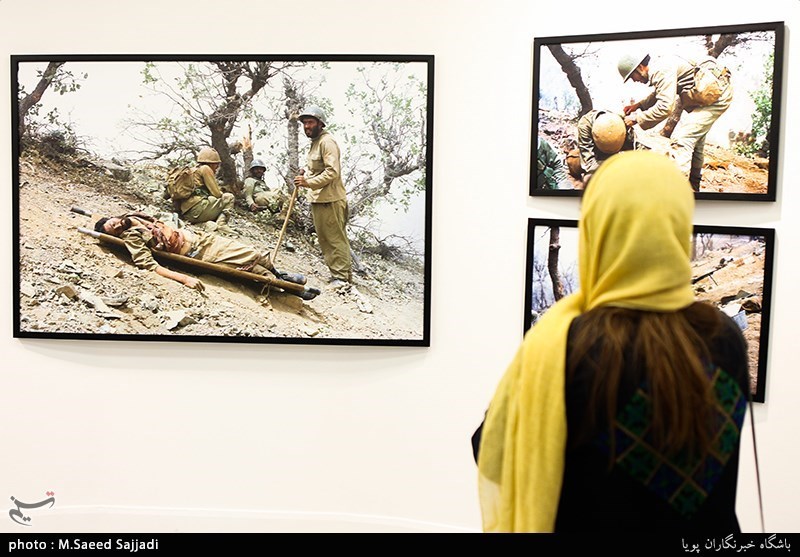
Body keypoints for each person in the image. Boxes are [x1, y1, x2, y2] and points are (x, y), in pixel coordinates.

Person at [473, 151, 749, 532]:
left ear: (596, 228)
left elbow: (490, 447)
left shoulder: (566, 344)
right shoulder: (724, 337)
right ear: (678, 226)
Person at [93, 212, 316, 299]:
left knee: (254, 255)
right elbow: (149, 265)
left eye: (110, 221)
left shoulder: (134, 218)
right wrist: (184, 279)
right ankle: (293, 290)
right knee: (251, 261)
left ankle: (283, 276)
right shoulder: (132, 236)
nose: (112, 225)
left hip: (201, 238)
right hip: (200, 252)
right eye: (111, 230)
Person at [618, 53, 733, 191]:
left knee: (683, 139)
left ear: (640, 67)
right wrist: (639, 105)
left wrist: (637, 118)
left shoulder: (660, 69)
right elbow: (661, 92)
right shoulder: (660, 67)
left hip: (718, 97)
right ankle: (693, 187)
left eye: (632, 76)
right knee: (696, 143)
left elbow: (665, 107)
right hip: (711, 96)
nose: (634, 80)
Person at [294, 105, 352, 287]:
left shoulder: (327, 142)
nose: (307, 126)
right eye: (304, 123)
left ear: (320, 123)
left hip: (331, 199)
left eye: (310, 122)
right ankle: (340, 275)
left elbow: (332, 172)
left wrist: (307, 182)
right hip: (319, 198)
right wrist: (306, 172)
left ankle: (342, 278)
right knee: (326, 238)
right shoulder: (316, 142)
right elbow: (317, 166)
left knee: (335, 239)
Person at [175, 147, 235, 230]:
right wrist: (221, 192)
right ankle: (221, 224)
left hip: (186, 213)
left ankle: (205, 224)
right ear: (211, 163)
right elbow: (217, 194)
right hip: (197, 212)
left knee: (210, 200)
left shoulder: (192, 170)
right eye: (216, 164)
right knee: (229, 197)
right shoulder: (206, 168)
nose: (217, 167)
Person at [576, 110, 635, 185]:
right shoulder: (584, 126)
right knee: (589, 179)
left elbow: (633, 150)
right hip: (596, 157)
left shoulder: (621, 123)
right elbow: (589, 162)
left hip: (617, 157)